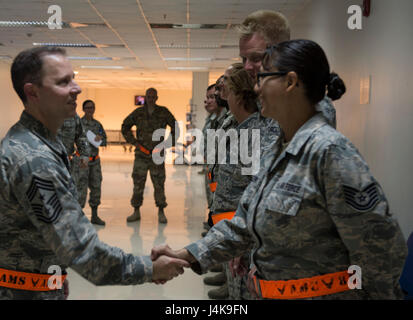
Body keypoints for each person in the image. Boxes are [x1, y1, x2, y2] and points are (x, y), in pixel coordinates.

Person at [152, 39, 407, 300]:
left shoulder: (329, 153)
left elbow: (382, 251)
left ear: (290, 82)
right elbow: (243, 224)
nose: (256, 87)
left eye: (263, 78)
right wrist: (188, 255)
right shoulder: (278, 148)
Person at [0, 46, 189, 300]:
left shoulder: (41, 142)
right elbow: (83, 252)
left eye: (73, 78)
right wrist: (150, 268)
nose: (76, 88)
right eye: (63, 82)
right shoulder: (34, 160)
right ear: (32, 92)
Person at [208, 63, 280, 300]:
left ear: (238, 91)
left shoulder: (257, 134)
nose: (219, 87)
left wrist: (244, 245)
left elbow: (259, 193)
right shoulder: (238, 127)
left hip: (244, 239)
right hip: (231, 233)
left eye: (225, 82)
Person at [238, 9, 337, 128]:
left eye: (256, 58)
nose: (247, 67)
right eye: (244, 59)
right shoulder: (264, 99)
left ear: (280, 50)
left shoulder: (309, 103)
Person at [122, 88, 179, 224]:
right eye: (149, 96)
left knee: (159, 183)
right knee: (138, 183)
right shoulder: (138, 112)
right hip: (141, 153)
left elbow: (175, 127)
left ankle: (161, 211)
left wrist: (167, 144)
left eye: (153, 97)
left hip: (157, 155)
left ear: (157, 98)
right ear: (145, 97)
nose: (151, 99)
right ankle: (136, 211)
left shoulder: (163, 112)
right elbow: (125, 126)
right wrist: (134, 142)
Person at [80, 99, 107, 226]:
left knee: (96, 187)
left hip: (95, 162)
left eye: (92, 107)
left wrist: (100, 139)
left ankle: (94, 215)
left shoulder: (98, 125)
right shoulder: (78, 124)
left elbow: (105, 140)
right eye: (87, 107)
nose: (90, 110)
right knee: (80, 188)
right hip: (82, 162)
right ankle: (78, 217)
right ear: (83, 109)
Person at [57, 114, 90, 207]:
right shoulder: (44, 111)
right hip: (49, 161)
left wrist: (84, 154)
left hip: (69, 161)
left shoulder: (73, 116)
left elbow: (81, 136)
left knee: (72, 192)